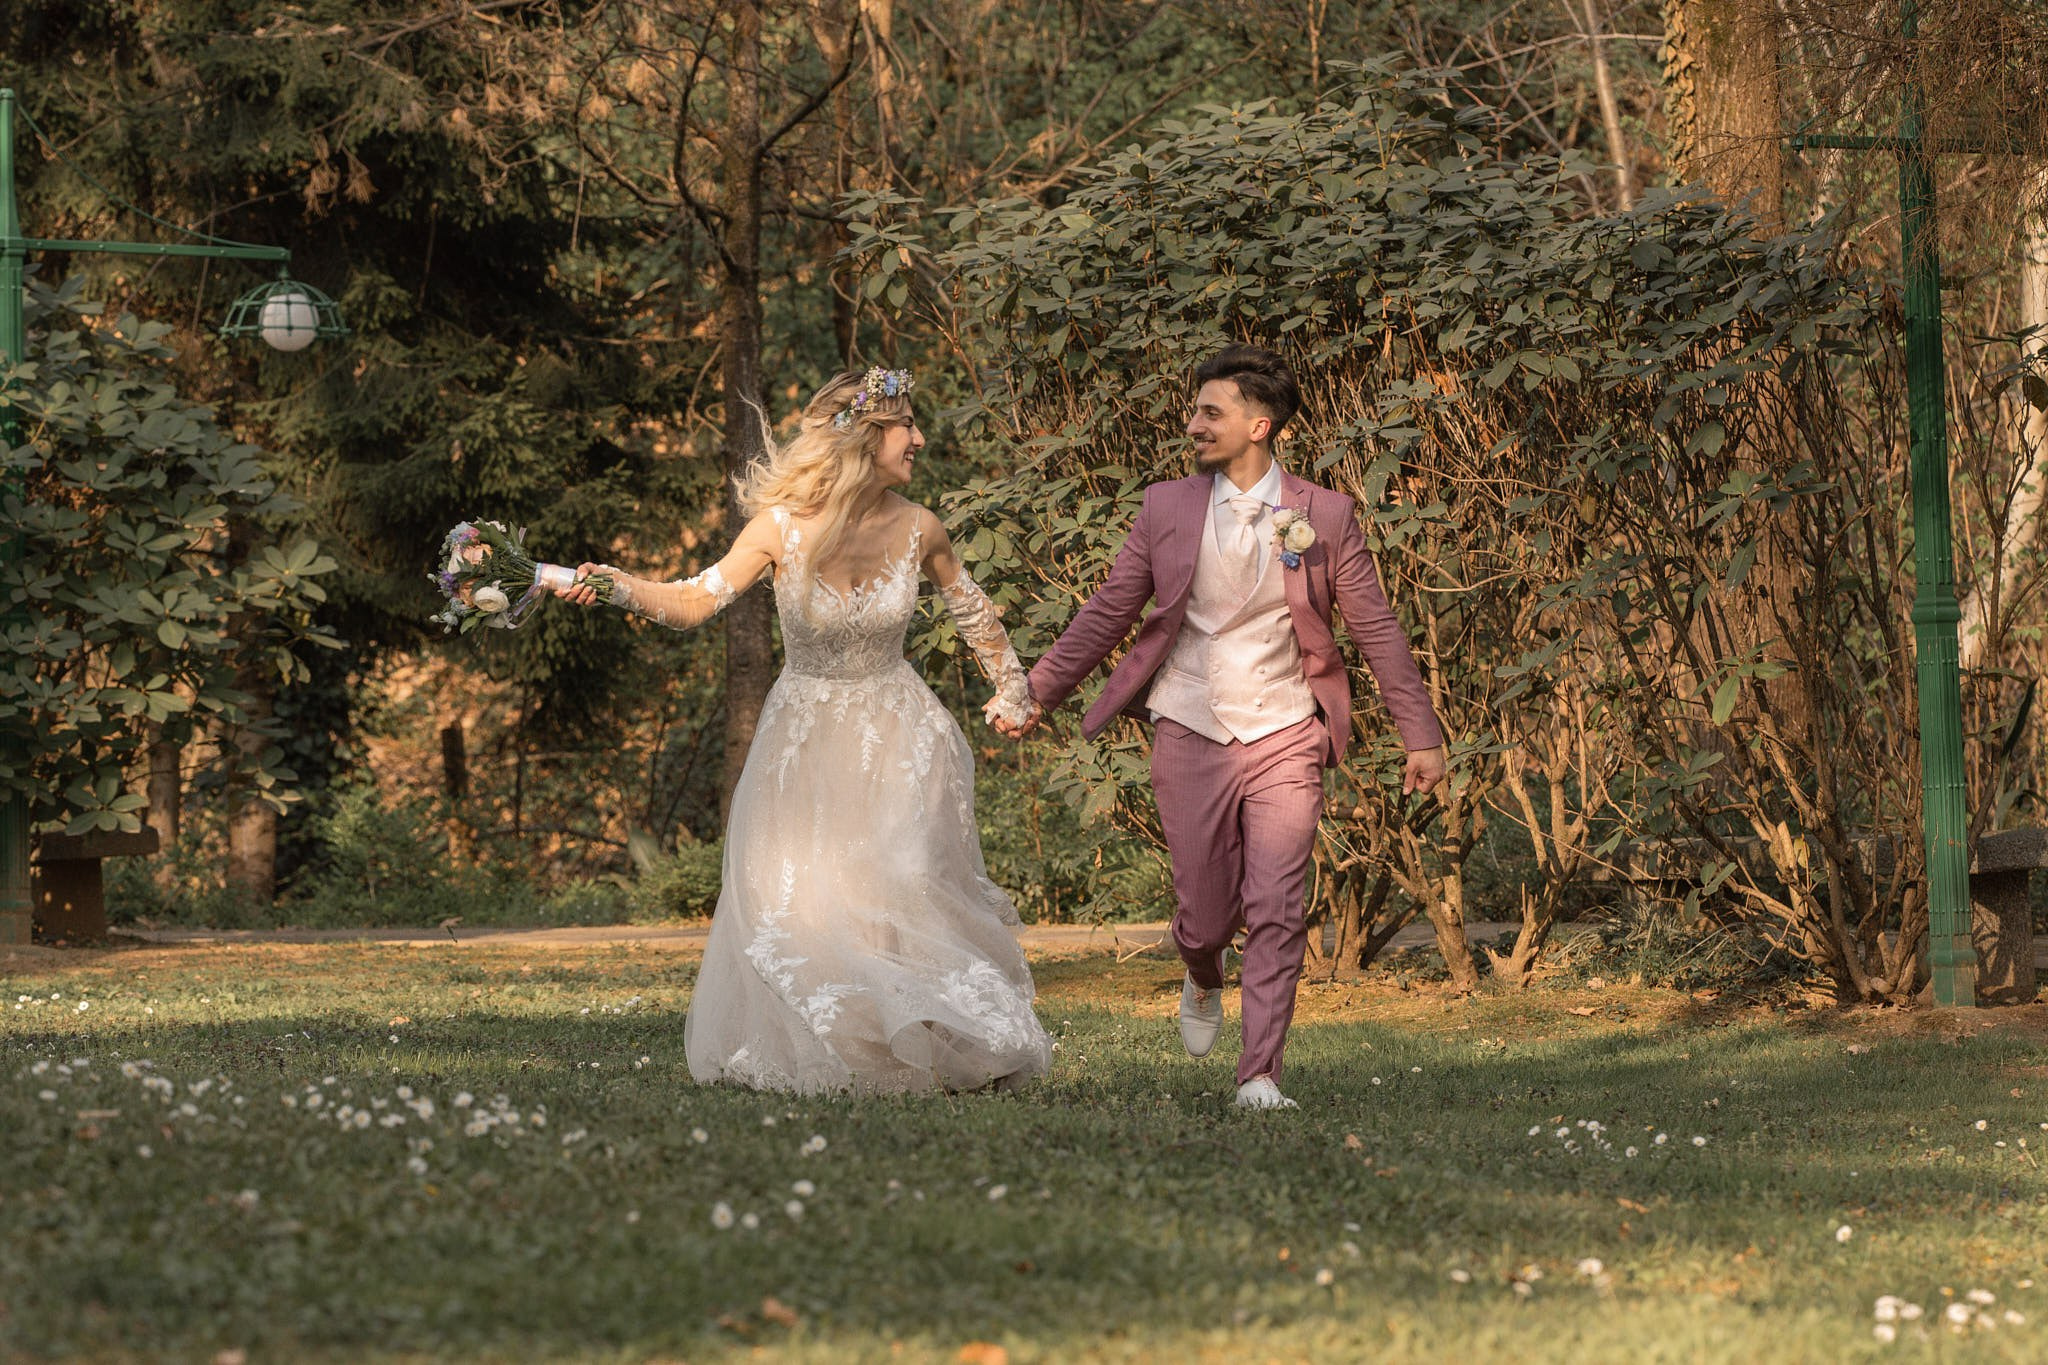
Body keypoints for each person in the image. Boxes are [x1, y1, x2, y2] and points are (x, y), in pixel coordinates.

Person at [553, 366, 1052, 1094]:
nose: (918, 437)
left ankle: (933, 1034)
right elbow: (696, 600)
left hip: (899, 737)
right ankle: (850, 1048)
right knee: (812, 901)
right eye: (904, 424)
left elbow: (975, 613)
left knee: (904, 880)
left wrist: (1012, 688)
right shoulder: (778, 528)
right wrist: (614, 585)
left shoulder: (921, 526)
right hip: (803, 742)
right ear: (862, 436)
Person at [1003, 346, 1446, 1110]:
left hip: (1285, 726)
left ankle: (1260, 1075)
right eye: (1195, 410)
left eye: (1210, 412)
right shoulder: (1166, 507)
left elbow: (1376, 630)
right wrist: (1038, 687)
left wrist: (1421, 733)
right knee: (1204, 912)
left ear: (1258, 424)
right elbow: (1110, 610)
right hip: (1190, 718)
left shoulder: (1326, 516)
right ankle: (1202, 968)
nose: (1193, 424)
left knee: (1278, 902)